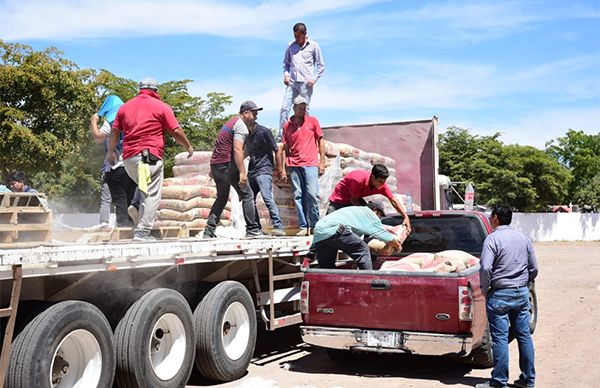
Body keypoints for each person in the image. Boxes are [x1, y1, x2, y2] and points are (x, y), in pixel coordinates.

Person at [108, 77, 194, 241]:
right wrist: (188, 146)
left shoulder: (125, 107)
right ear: (156, 91)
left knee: (145, 186)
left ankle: (134, 206)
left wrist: (110, 152)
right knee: (153, 194)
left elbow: (114, 132)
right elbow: (175, 130)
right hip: (149, 156)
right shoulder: (161, 107)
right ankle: (143, 232)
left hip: (128, 159)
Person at [476, 205, 538, 388]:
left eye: (490, 216)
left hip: (499, 294)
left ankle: (499, 381)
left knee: (500, 339)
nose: (489, 219)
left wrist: (485, 288)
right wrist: (524, 283)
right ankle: (528, 380)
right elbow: (534, 268)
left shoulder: (492, 239)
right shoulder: (523, 238)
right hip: (520, 293)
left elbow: (486, 267)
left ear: (495, 217)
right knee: (524, 335)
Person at [204, 101, 263, 238]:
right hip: (227, 165)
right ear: (246, 113)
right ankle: (252, 230)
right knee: (247, 194)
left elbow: (220, 146)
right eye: (254, 114)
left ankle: (209, 230)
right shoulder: (241, 126)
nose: (256, 117)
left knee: (222, 197)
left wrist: (213, 168)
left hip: (217, 165)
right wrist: (242, 172)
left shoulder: (230, 123)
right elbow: (237, 149)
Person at [278, 96, 326, 236]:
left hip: (310, 163)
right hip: (293, 164)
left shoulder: (312, 121)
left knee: (312, 194)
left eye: (304, 108)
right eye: (300, 108)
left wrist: (322, 161)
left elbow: (320, 141)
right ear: (294, 108)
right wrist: (285, 167)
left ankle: (315, 225)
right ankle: (303, 226)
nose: (302, 110)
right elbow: (286, 147)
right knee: (298, 195)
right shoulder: (287, 125)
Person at [311, 200, 401, 270]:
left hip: (320, 233)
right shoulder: (369, 214)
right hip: (336, 230)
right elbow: (383, 235)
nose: (379, 219)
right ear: (375, 210)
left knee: (327, 267)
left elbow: (352, 239)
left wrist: (311, 252)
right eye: (380, 216)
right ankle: (368, 281)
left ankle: (327, 288)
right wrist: (397, 246)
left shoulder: (355, 212)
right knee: (363, 249)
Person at [91, 95, 137, 227]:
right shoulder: (132, 119)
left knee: (115, 198)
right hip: (133, 163)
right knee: (131, 197)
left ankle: (115, 226)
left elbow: (98, 138)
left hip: (115, 165)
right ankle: (132, 227)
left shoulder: (112, 120)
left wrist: (93, 121)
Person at [327, 164, 412, 233]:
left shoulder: (381, 186)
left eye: (384, 182)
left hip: (356, 198)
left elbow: (393, 200)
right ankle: (314, 251)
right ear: (373, 176)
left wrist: (405, 217)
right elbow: (353, 200)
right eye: (380, 181)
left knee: (366, 224)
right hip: (339, 201)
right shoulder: (358, 179)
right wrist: (367, 213)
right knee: (327, 229)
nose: (382, 185)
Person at [278, 22, 325, 141]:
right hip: (292, 82)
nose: (297, 39)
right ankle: (282, 136)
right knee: (285, 107)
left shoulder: (314, 46)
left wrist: (314, 78)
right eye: (295, 36)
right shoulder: (290, 46)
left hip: (306, 82)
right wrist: (286, 75)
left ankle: (306, 135)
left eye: (299, 36)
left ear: (305, 34)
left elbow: (320, 65)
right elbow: (286, 64)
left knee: (304, 109)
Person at [245, 122, 286, 236]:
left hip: (264, 169)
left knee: (267, 197)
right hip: (252, 170)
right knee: (248, 199)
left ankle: (278, 226)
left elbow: (277, 149)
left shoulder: (264, 131)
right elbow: (247, 151)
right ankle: (256, 227)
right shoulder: (245, 134)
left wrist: (280, 170)